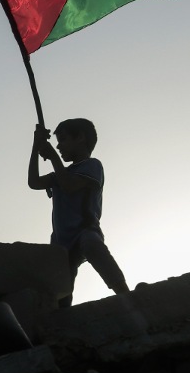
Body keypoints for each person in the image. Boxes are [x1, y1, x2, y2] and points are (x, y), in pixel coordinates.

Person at [28, 119, 129, 307]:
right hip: (60, 242)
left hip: (84, 231)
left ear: (80, 138)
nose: (58, 146)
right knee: (62, 289)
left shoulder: (92, 166)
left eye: (63, 140)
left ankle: (125, 293)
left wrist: (53, 158)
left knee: (92, 246)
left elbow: (70, 185)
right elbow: (33, 182)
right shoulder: (60, 173)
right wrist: (36, 146)